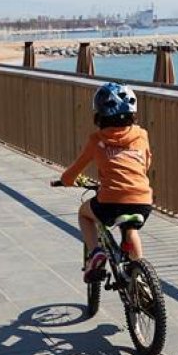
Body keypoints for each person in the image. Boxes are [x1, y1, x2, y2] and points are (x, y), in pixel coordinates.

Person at [58, 82, 153, 282]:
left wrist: (66, 180)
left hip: (110, 202)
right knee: (130, 230)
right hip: (143, 200)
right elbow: (147, 162)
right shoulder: (141, 135)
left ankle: (95, 253)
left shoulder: (96, 140)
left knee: (84, 213)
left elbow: (75, 170)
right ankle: (141, 280)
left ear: (99, 116)